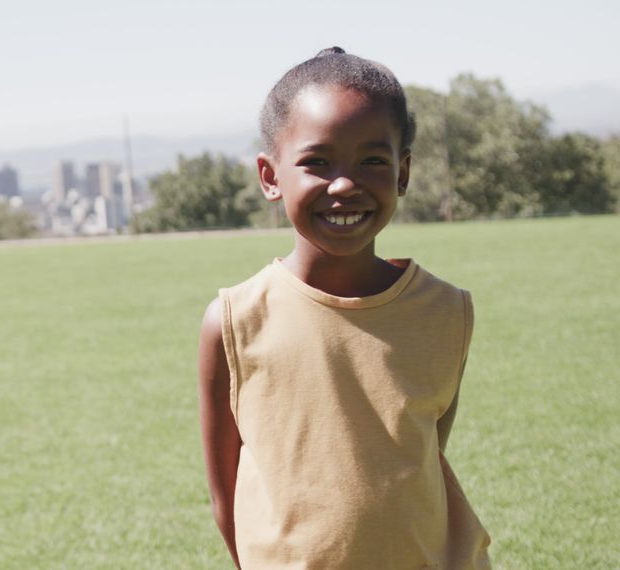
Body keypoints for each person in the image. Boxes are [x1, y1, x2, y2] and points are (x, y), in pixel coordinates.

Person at [197, 47, 491, 569]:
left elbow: (422, 456)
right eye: (316, 161)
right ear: (269, 176)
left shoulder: (447, 311)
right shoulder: (234, 322)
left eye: (372, 161)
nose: (345, 185)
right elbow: (226, 499)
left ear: (402, 173)